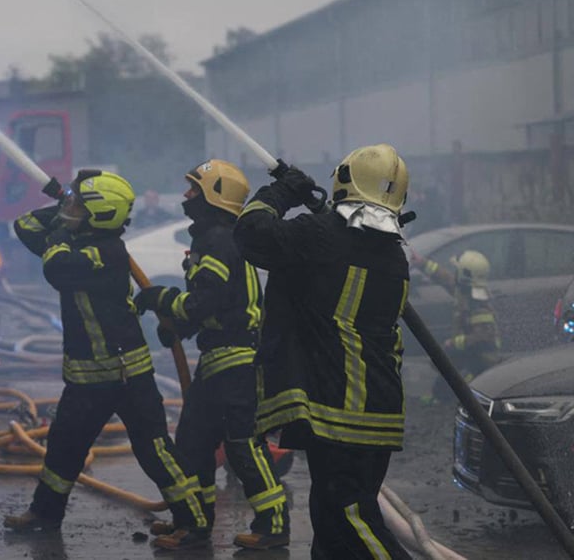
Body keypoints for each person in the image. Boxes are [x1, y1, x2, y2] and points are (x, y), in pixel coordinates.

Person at [3, 169, 209, 538]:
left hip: (124, 374)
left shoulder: (104, 252)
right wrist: (65, 204)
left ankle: (193, 522)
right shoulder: (78, 240)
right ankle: (45, 514)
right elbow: (25, 226)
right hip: (87, 377)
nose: (71, 210)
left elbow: (56, 267)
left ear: (100, 216)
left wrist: (64, 222)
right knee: (64, 445)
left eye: (79, 206)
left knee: (153, 449)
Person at [232, 144, 413, 559]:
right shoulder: (392, 253)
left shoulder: (322, 235)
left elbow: (251, 234)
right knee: (332, 531)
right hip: (372, 406)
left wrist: (283, 191)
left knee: (350, 518)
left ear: (345, 179)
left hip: (343, 408)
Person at [134, 160, 289, 550]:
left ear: (214, 196)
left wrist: (160, 299)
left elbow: (205, 302)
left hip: (236, 363)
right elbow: (220, 304)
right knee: (193, 441)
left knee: (242, 443)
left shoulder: (218, 240)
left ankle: (273, 524)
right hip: (223, 359)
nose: (187, 195)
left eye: (194, 189)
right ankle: (194, 523)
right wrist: (180, 326)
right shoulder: (219, 238)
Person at [410, 249, 501, 403]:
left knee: (453, 389)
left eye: (458, 270)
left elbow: (482, 338)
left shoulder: (478, 305)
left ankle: (450, 401)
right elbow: (446, 279)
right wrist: (423, 263)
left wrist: (454, 343)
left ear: (465, 275)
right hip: (469, 353)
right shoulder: (466, 291)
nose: (455, 274)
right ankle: (441, 395)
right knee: (442, 373)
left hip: (481, 362)